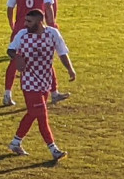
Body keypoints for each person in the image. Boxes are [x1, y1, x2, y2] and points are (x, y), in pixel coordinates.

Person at [7, 9, 75, 161]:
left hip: (45, 82)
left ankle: (15, 143)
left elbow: (62, 53)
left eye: (29, 22)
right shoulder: (22, 35)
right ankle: (53, 149)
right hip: (30, 84)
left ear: (39, 22)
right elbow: (10, 50)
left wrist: (70, 69)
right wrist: (17, 57)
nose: (25, 24)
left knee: (32, 114)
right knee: (42, 116)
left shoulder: (52, 34)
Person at [3, 0, 56, 107]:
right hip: (38, 25)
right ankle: (54, 92)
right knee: (45, 56)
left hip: (22, 24)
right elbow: (48, 5)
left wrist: (12, 23)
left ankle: (7, 93)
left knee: (15, 58)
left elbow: (10, 7)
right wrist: (51, 23)